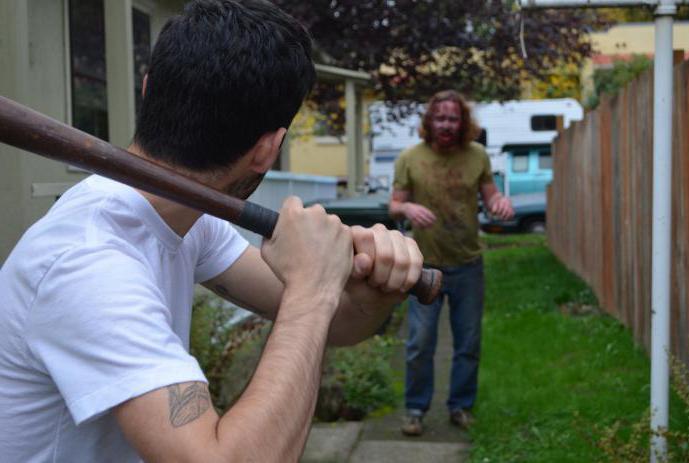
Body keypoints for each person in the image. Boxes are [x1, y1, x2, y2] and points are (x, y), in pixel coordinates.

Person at [0, 1, 424, 462]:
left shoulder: (189, 221)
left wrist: (377, 286)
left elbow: (337, 324)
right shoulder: (89, 262)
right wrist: (312, 286)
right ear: (268, 150)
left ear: (148, 90)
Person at [389, 90, 513, 437]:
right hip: (424, 267)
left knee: (468, 342)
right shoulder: (410, 158)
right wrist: (408, 208)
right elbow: (394, 205)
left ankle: (460, 406)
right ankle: (415, 409)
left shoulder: (477, 156)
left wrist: (500, 203)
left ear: (463, 123)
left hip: (468, 264)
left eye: (453, 118)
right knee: (419, 343)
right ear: (430, 121)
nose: (446, 124)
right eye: (440, 117)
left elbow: (491, 199)